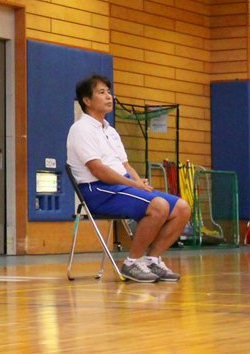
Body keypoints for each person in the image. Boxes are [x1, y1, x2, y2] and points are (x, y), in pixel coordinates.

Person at [66, 74, 191, 283]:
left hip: (122, 186)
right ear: (87, 101)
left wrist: (139, 183)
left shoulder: (111, 131)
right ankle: (132, 263)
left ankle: (152, 259)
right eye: (101, 92)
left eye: (109, 92)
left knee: (182, 208)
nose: (109, 97)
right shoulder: (81, 129)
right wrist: (132, 184)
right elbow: (98, 170)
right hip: (98, 190)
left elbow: (125, 165)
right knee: (158, 206)